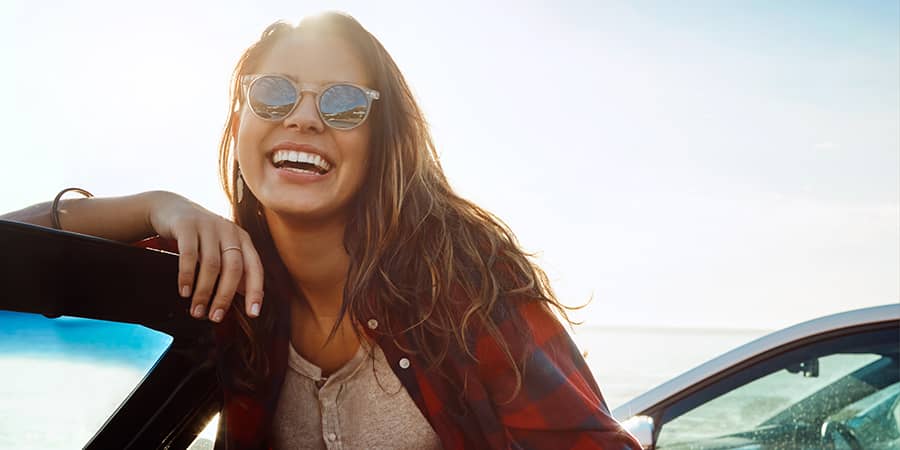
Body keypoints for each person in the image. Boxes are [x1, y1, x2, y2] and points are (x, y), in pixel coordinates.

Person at [3, 12, 641, 450]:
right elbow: (14, 252)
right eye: (273, 94)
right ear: (240, 122)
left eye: (343, 103)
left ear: (380, 140)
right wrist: (154, 207)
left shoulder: (463, 282)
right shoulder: (223, 275)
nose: (304, 119)